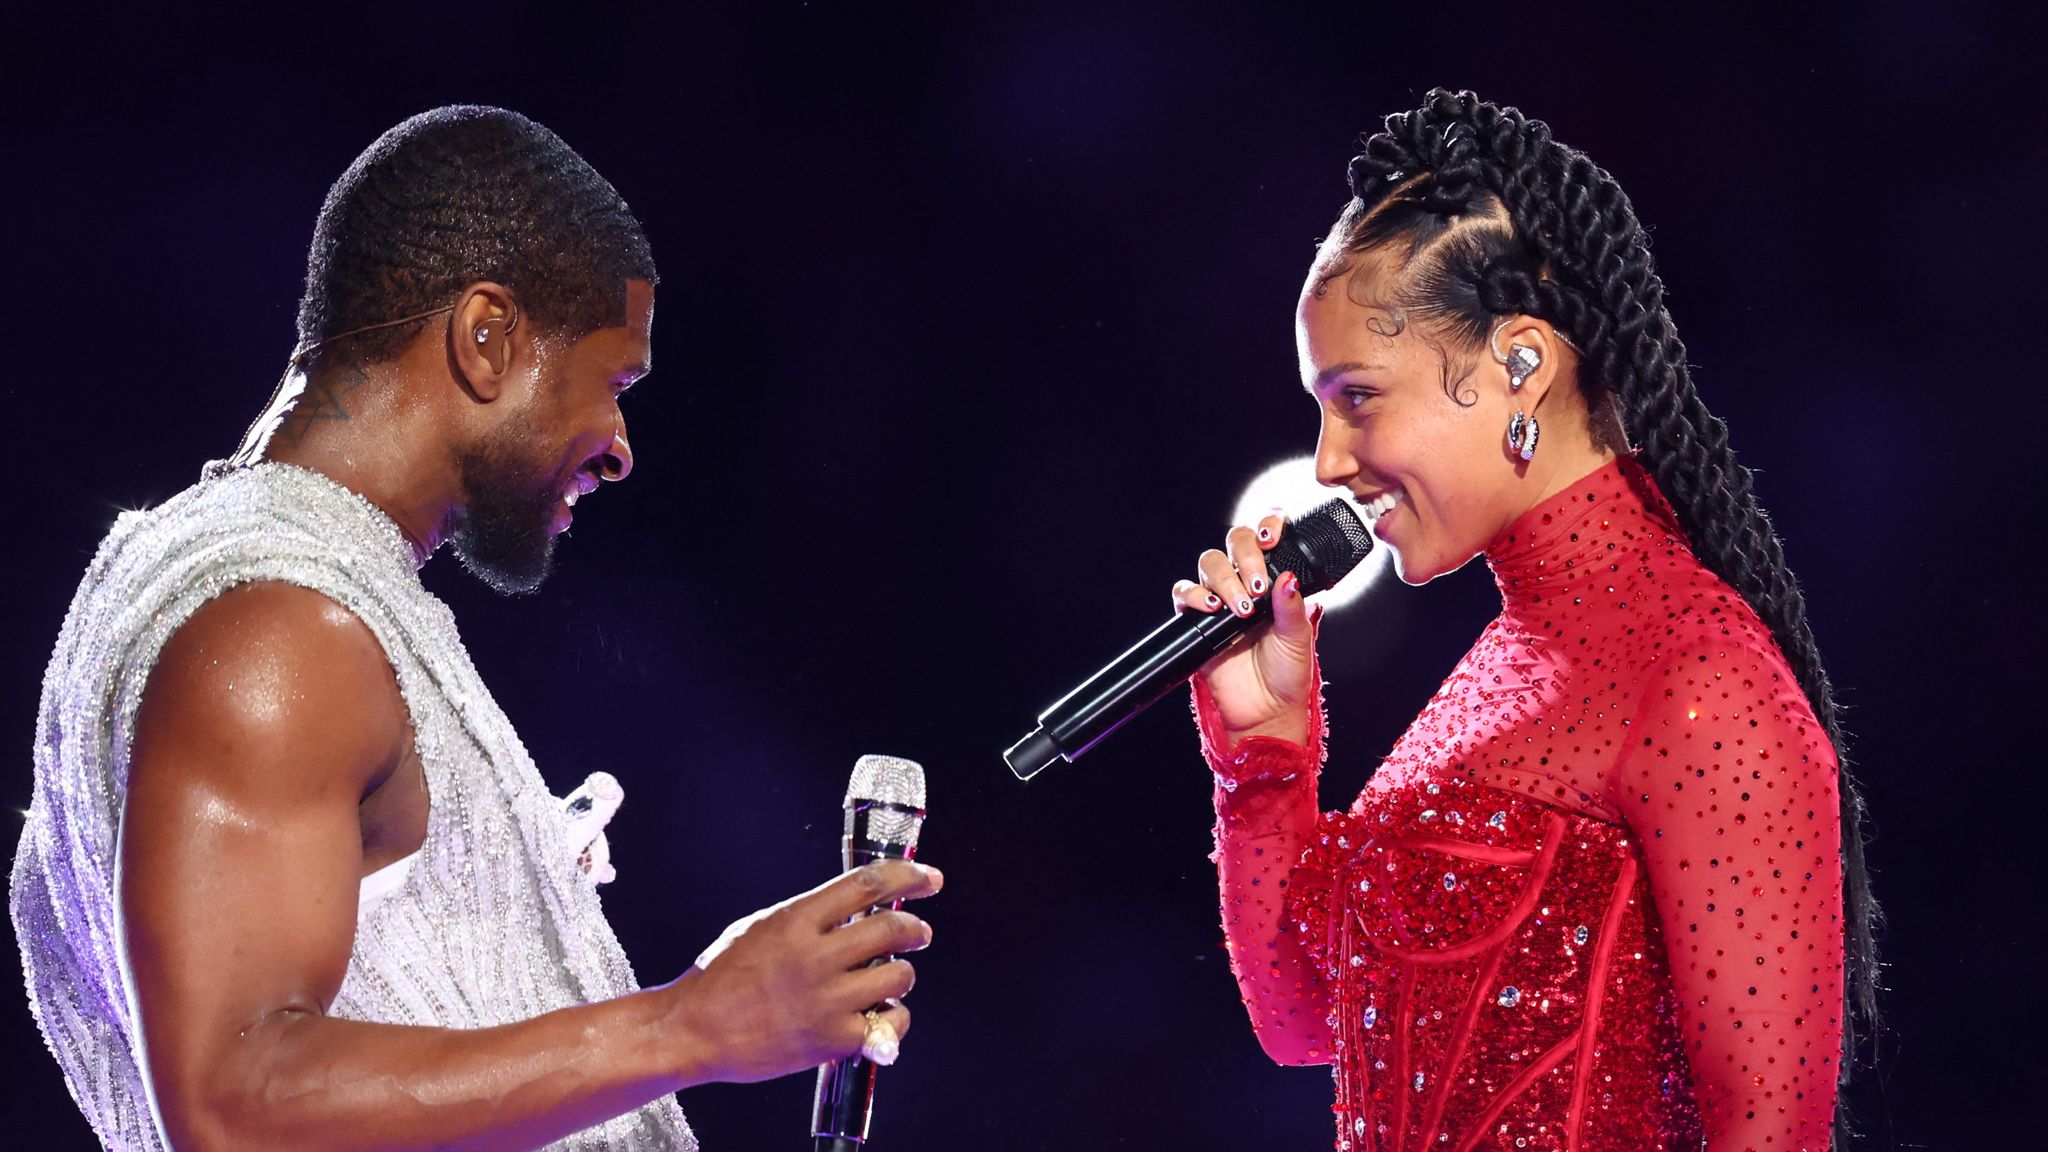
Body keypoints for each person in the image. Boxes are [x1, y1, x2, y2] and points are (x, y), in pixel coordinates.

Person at [10, 106, 939, 1151]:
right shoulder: (275, 628)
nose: (620, 446)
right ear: (487, 338)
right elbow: (236, 1108)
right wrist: (694, 1021)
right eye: (612, 381)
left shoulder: (283, 594)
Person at [1174, 91, 1876, 1151]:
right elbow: (1304, 1019)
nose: (1325, 461)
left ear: (1519, 363)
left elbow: (1769, 1131)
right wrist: (1264, 766)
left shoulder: (1699, 682)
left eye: (1356, 397)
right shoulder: (1509, 658)